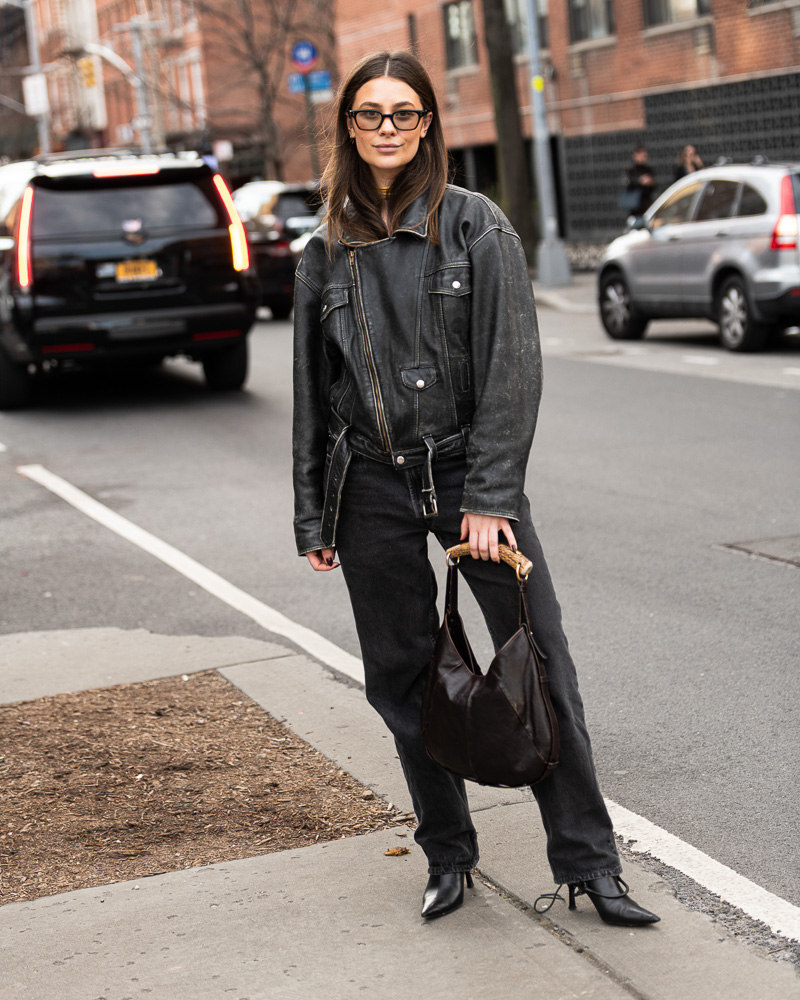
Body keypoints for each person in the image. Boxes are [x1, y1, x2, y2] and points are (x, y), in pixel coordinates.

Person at [292, 50, 660, 928]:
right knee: (405, 677)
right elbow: (314, 394)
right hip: (369, 485)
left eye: (405, 113)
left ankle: (588, 864)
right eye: (371, 114)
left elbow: (511, 373)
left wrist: (490, 497)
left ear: (428, 126)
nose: (388, 128)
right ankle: (448, 854)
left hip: (469, 477)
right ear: (350, 126)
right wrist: (314, 509)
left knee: (541, 668)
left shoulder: (476, 228)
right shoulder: (323, 253)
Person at [623, 144, 657, 215]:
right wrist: (640, 181)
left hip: (646, 203)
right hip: (635, 205)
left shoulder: (648, 170)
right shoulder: (631, 170)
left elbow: (654, 186)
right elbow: (627, 183)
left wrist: (650, 182)